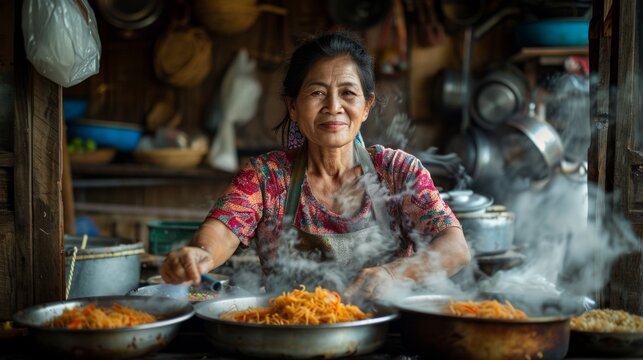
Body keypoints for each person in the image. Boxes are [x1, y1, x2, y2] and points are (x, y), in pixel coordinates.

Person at [161, 31, 470, 301]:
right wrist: (199, 255)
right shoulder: (267, 177)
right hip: (290, 334)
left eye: (348, 93)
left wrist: (394, 274)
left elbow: (454, 248)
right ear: (293, 107)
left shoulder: (398, 172)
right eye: (317, 92)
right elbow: (222, 233)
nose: (333, 107)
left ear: (366, 107)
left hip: (385, 336)